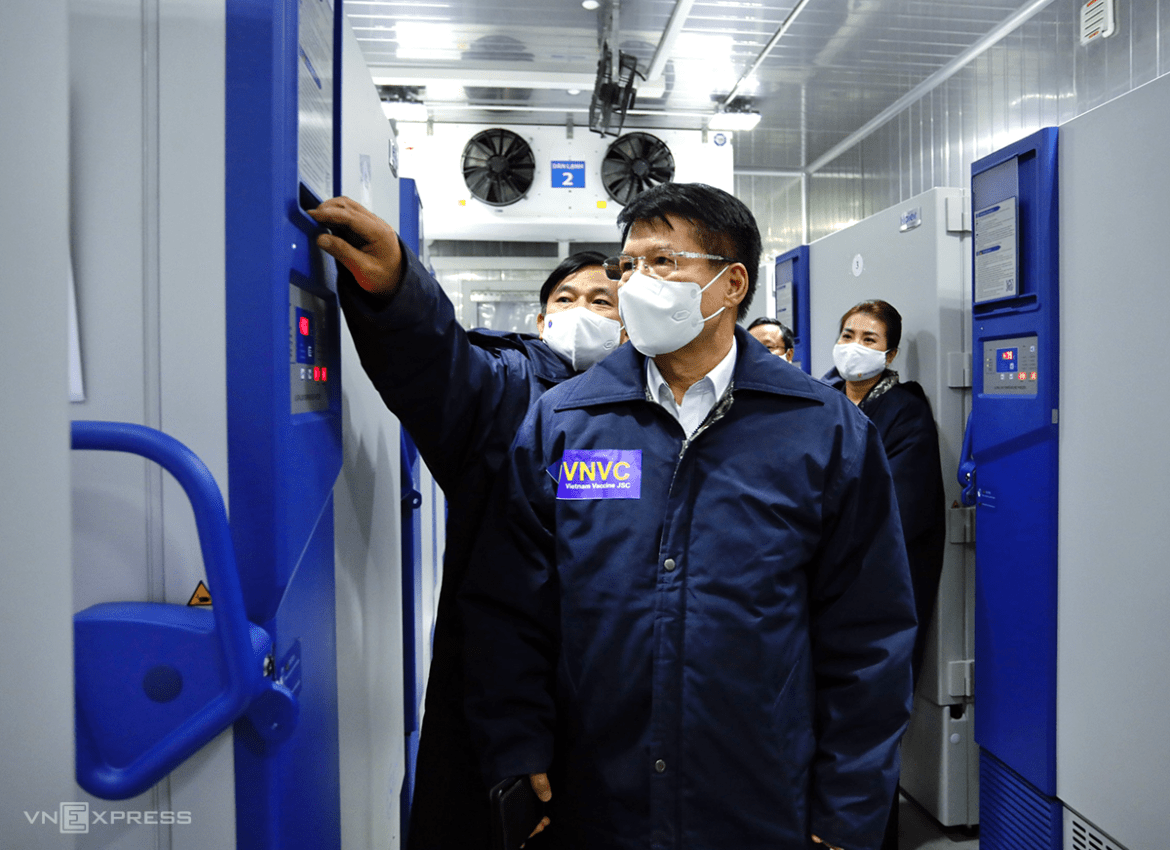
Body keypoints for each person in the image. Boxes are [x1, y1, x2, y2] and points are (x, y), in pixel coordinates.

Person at [461, 183, 916, 850]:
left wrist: (847, 807)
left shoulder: (824, 431)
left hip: (759, 798)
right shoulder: (566, 421)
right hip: (596, 797)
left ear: (731, 284)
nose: (635, 281)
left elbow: (869, 635)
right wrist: (516, 751)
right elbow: (507, 606)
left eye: (663, 261)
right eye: (627, 264)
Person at [308, 196, 622, 850]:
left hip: (625, 701)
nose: (584, 312)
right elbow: (440, 366)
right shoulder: (511, 390)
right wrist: (399, 286)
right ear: (541, 319)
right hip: (507, 700)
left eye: (604, 301)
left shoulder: (660, 413)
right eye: (567, 299)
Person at [821, 299, 947, 850]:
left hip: (879, 587)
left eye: (869, 339)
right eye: (849, 333)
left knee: (869, 720)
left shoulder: (904, 411)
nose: (855, 346)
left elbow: (902, 506)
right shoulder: (820, 400)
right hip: (823, 583)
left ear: (890, 352)